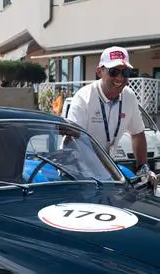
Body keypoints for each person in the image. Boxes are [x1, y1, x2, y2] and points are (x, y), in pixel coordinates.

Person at [64, 46, 153, 184]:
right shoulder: (83, 97)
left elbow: (138, 134)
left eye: (125, 72)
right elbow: (72, 140)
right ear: (100, 71)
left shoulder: (129, 96)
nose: (119, 77)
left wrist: (143, 167)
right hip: (77, 171)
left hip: (106, 169)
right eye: (113, 72)